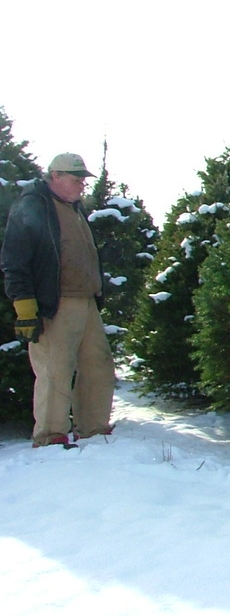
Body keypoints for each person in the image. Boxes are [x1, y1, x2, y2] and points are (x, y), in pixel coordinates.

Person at [1, 152, 115, 447]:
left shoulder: (74, 209)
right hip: (56, 302)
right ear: (55, 176)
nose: (82, 184)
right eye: (76, 178)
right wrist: (24, 305)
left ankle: (93, 426)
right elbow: (14, 259)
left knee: (98, 362)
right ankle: (51, 435)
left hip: (86, 301)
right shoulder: (33, 206)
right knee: (55, 368)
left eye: (83, 179)